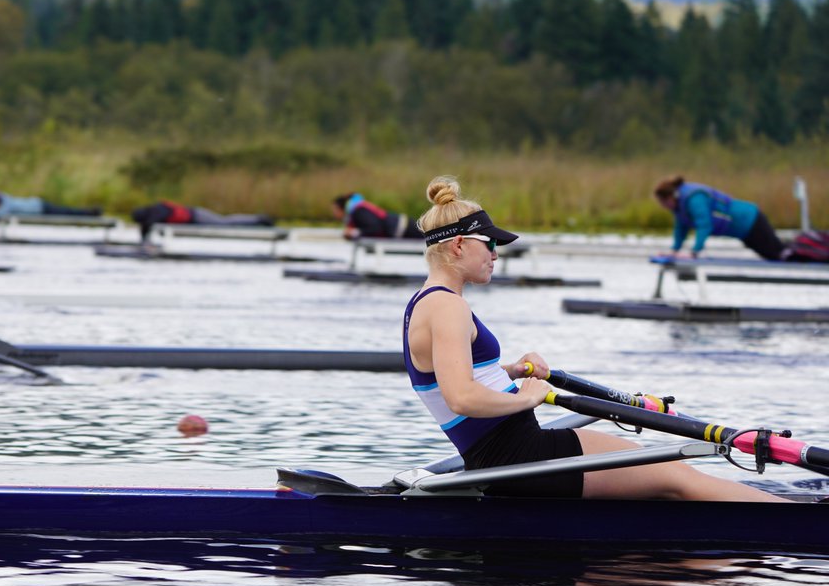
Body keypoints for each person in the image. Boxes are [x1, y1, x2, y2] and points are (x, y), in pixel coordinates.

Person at [404, 175, 785, 502]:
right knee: (677, 476)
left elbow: (455, 375)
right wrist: (527, 398)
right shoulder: (448, 308)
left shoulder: (423, 303)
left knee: (664, 478)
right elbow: (461, 396)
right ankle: (794, 519)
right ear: (458, 245)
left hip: (503, 454)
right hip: (518, 457)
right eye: (489, 243)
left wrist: (514, 370)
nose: (496, 254)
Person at [653, 176, 788, 261]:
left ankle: (805, 249)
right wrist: (673, 251)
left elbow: (704, 225)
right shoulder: (678, 208)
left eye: (663, 203)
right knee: (773, 254)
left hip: (750, 220)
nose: (663, 206)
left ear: (671, 196)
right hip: (743, 232)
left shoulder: (694, 199)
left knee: (779, 254)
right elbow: (680, 229)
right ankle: (800, 249)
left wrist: (694, 252)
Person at [130, 200, 274, 242]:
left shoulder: (157, 210)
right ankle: (256, 219)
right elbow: (147, 226)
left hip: (197, 215)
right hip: (193, 218)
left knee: (223, 223)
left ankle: (257, 219)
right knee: (224, 222)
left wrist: (144, 240)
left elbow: (149, 224)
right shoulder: (152, 213)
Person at [333, 193, 422, 239]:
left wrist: (353, 233)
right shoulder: (357, 210)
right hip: (403, 228)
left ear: (342, 208)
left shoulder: (358, 212)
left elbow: (375, 228)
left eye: (335, 210)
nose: (334, 213)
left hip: (406, 228)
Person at [0, 192, 103, 224]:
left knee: (66, 212)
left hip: (40, 208)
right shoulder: (6, 201)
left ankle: (92, 212)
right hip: (39, 206)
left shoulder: (7, 204)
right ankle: (91, 212)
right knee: (66, 211)